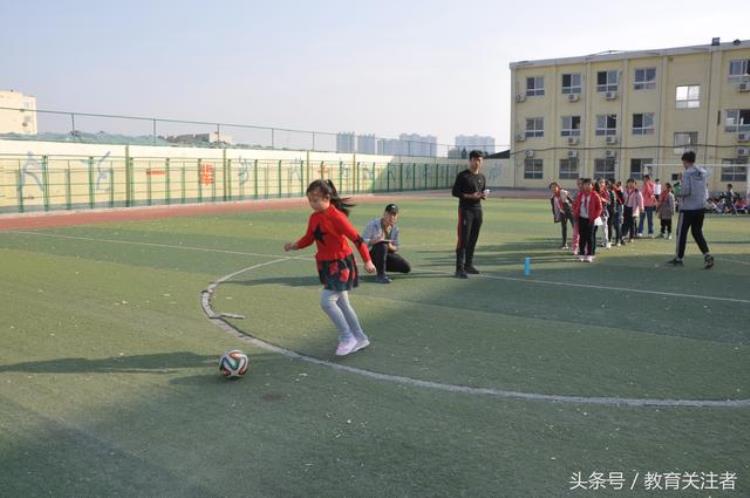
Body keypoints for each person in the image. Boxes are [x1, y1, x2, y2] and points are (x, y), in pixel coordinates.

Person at [284, 179, 376, 356]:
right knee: (343, 303)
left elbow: (357, 239)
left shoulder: (337, 217)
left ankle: (347, 337)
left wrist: (368, 260)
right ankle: (360, 337)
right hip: (326, 265)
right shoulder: (314, 217)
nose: (312, 203)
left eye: (316, 199)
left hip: (341, 265)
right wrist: (295, 245)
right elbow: (310, 238)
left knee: (326, 302)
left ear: (327, 197)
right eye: (310, 199)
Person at [668, 151, 714, 269]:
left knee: (681, 233)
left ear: (685, 161)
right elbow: (705, 189)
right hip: (700, 207)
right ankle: (707, 255)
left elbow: (686, 191)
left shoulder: (687, 173)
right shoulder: (702, 172)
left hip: (688, 208)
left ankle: (679, 258)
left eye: (683, 162)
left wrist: (678, 185)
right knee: (697, 232)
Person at [452, 150, 487, 278]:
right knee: (463, 239)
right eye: (475, 160)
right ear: (470, 160)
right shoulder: (463, 176)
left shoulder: (481, 177)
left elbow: (481, 192)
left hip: (478, 210)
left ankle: (469, 265)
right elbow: (455, 192)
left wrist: (483, 195)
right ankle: (459, 269)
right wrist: (469, 196)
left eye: (480, 160)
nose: (478, 162)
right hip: (465, 210)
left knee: (473, 238)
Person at [362, 203, 411, 284]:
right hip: (372, 255)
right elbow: (362, 243)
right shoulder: (372, 225)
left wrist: (390, 246)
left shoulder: (395, 229)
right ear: (384, 214)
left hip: (386, 254)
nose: (391, 217)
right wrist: (375, 241)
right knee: (382, 245)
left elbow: (396, 247)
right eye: (389, 214)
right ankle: (381, 275)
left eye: (394, 215)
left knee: (406, 268)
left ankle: (381, 267)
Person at [572, 178, 603, 262]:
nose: (587, 186)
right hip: (581, 218)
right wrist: (575, 213)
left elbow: (599, 208)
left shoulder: (595, 195)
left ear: (592, 186)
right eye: (585, 184)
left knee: (590, 237)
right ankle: (581, 254)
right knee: (582, 237)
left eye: (589, 184)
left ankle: (590, 255)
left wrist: (594, 217)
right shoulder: (580, 195)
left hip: (591, 219)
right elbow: (574, 205)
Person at [549, 182, 574, 249]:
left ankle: (578, 243)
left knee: (575, 228)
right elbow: (554, 207)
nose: (553, 188)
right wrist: (556, 215)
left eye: (555, 187)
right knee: (564, 228)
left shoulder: (563, 192)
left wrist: (573, 209)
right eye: (552, 188)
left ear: (558, 187)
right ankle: (564, 244)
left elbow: (572, 201)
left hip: (570, 212)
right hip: (562, 213)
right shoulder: (553, 197)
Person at [622, 178, 643, 243]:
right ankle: (623, 235)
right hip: (626, 208)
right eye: (629, 182)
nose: (630, 184)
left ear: (635, 184)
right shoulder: (625, 191)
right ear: (627, 183)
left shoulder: (637, 192)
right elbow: (622, 199)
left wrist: (641, 208)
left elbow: (640, 200)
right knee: (625, 222)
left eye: (632, 182)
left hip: (633, 209)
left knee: (632, 224)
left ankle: (631, 237)